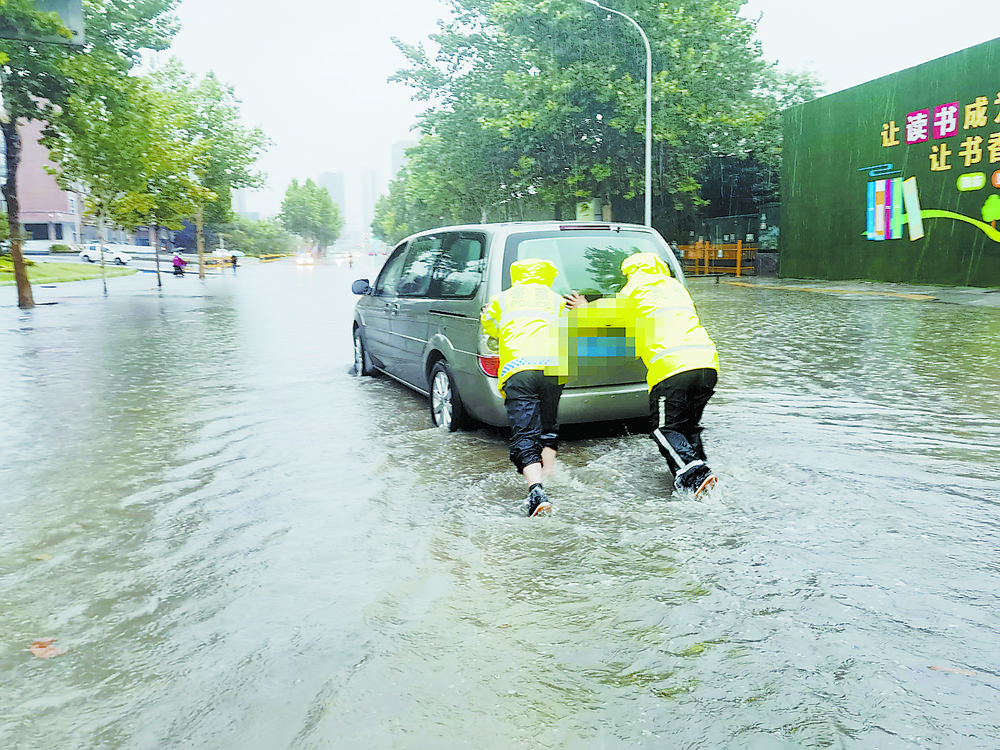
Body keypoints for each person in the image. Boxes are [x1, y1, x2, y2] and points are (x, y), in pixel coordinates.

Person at [480, 258, 584, 516]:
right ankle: (549, 475)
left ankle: (536, 490)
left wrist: (488, 317)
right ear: (547, 276)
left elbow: (491, 329)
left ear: (517, 275)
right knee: (549, 426)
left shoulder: (501, 299)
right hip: (554, 368)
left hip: (520, 368)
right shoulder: (556, 299)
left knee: (525, 432)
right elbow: (572, 329)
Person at [617, 252, 720, 496]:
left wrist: (582, 307)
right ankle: (699, 483)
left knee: (663, 430)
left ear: (630, 271)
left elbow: (607, 318)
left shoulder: (632, 289)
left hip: (671, 367)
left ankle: (697, 474)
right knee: (688, 427)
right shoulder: (675, 287)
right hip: (706, 363)